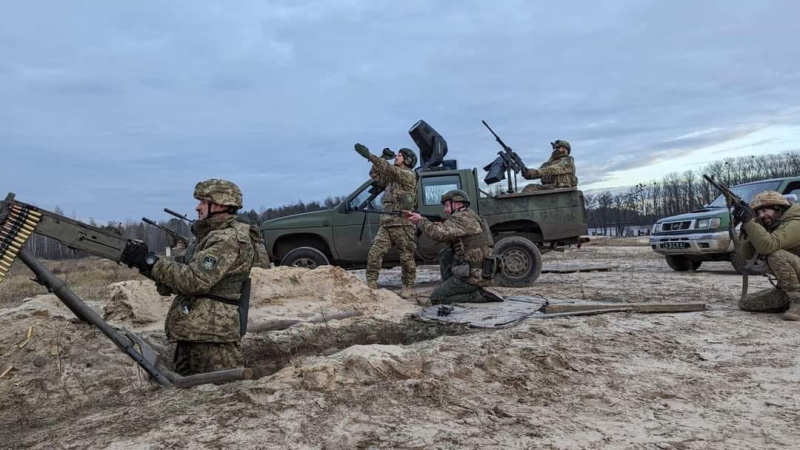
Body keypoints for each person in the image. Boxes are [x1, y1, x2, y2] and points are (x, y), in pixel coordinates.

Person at [121, 179, 257, 375]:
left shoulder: (226, 239)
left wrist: (149, 262)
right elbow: (178, 274)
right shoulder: (208, 237)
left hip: (213, 339)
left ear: (218, 203)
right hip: (195, 331)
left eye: (203, 201)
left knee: (220, 395)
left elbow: (193, 281)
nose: (197, 207)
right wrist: (144, 262)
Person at [404, 189, 502, 304]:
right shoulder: (471, 216)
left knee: (436, 298)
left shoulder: (462, 218)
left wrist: (420, 221)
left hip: (474, 277)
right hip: (479, 273)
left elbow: (438, 234)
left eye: (446, 205)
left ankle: (479, 295)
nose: (444, 210)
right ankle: (454, 286)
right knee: (445, 253)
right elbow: (453, 242)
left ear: (457, 203)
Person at [354, 143, 418, 299]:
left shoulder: (409, 175)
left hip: (402, 224)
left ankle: (407, 286)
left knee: (406, 258)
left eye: (400, 155)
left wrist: (370, 156)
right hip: (387, 223)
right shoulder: (392, 178)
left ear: (408, 160)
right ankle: (371, 285)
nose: (396, 156)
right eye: (396, 154)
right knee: (374, 254)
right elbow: (375, 174)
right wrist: (383, 158)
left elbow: (389, 169)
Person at [734, 190, 800, 321]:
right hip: (791, 284)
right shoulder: (773, 224)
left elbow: (768, 246)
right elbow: (747, 255)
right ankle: (789, 299)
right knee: (746, 303)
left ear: (778, 208)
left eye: (765, 211)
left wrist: (750, 223)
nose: (762, 216)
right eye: (758, 213)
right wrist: (748, 228)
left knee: (776, 255)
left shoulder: (796, 222)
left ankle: (797, 302)